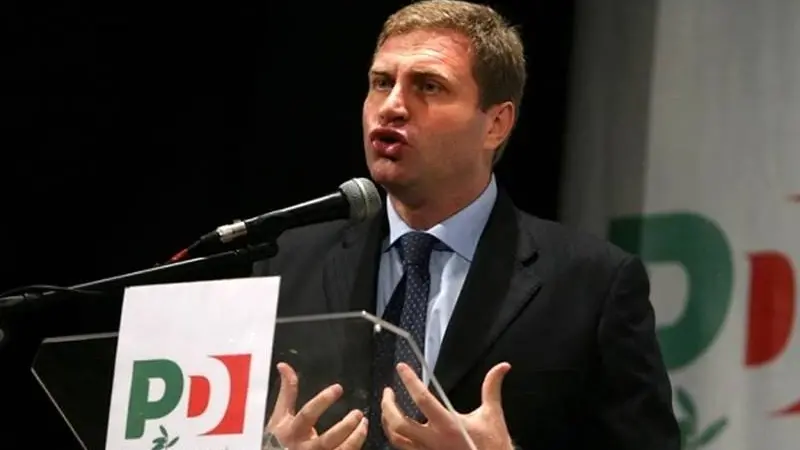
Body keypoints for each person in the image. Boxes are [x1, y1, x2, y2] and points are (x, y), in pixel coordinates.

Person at [255, 0, 681, 449]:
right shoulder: (284, 266)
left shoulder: (592, 285)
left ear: (496, 124)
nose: (392, 106)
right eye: (381, 83)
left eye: (429, 86)